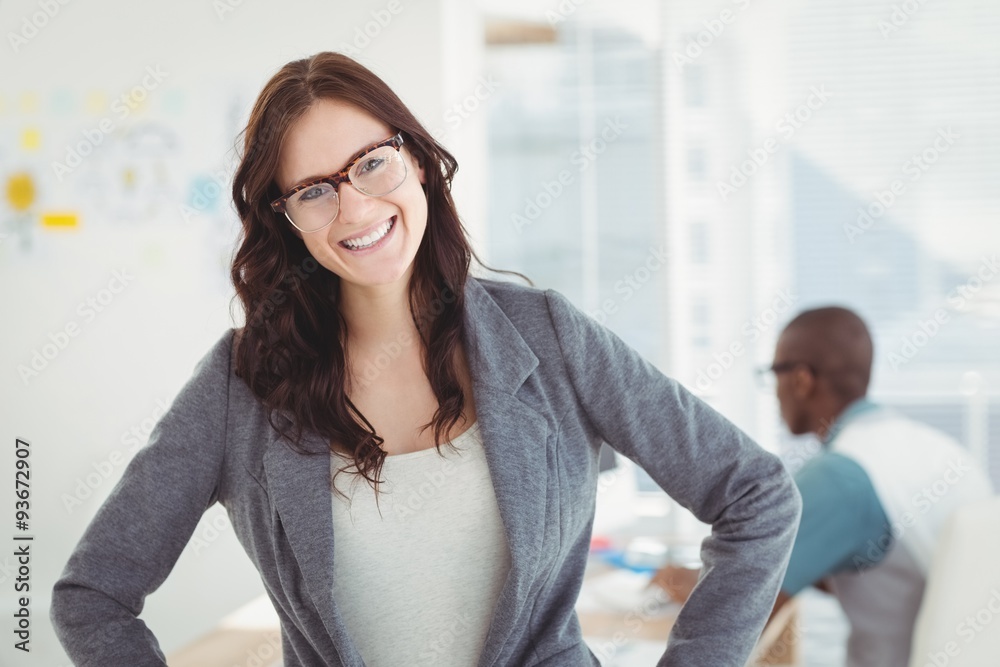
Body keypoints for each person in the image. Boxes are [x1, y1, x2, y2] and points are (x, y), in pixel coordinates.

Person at [49, 51, 801, 667]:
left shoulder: (551, 339)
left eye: (371, 163)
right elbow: (92, 595)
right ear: (285, 222)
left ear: (416, 162)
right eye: (314, 190)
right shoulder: (239, 383)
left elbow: (758, 496)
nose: (355, 207)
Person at [762, 306, 993, 666]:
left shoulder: (839, 476)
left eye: (773, 373)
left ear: (801, 380)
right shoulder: (937, 450)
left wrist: (674, 582)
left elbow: (741, 604)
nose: (773, 391)